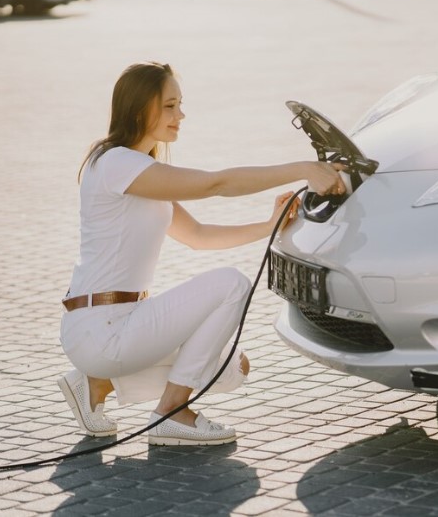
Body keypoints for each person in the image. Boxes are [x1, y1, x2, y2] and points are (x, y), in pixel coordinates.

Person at [58, 61, 345, 446]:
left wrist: (270, 225)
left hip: (117, 324)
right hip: (102, 326)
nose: (181, 115)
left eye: (180, 105)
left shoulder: (139, 172)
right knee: (231, 284)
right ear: (140, 107)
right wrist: (304, 169)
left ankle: (97, 384)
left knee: (231, 368)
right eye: (170, 106)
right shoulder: (117, 163)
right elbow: (216, 184)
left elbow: (197, 235)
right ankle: (172, 413)